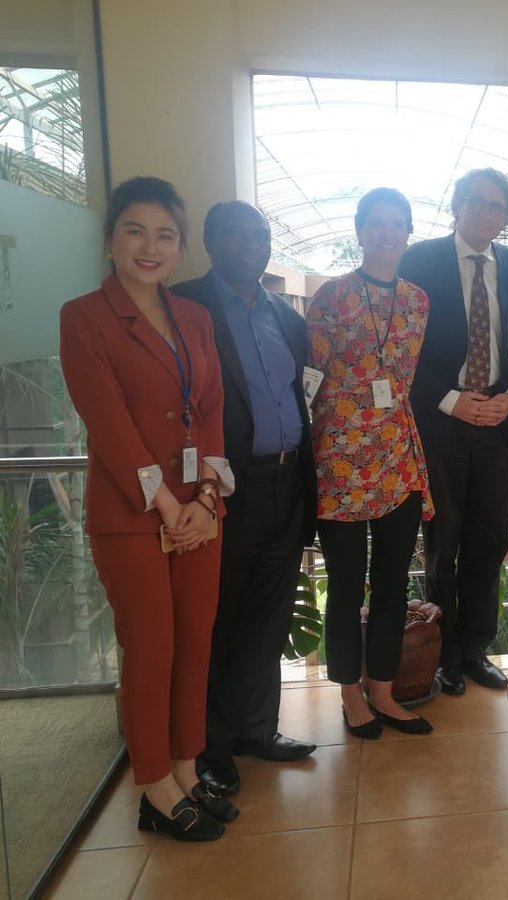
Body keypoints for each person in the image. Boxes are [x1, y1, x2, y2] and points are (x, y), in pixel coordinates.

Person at [59, 176, 236, 840]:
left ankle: (186, 767)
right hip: (131, 516)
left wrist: (208, 497)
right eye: (134, 230)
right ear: (110, 239)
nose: (149, 246)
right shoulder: (85, 317)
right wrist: (166, 503)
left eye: (165, 235)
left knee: (193, 642)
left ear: (180, 247)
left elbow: (211, 410)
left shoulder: (193, 317)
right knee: (151, 647)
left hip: (199, 510)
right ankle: (154, 784)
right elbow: (108, 425)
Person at [173, 201, 318, 797]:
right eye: (237, 236)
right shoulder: (184, 307)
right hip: (224, 489)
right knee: (217, 618)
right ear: (211, 243)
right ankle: (211, 745)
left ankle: (258, 729)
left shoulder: (285, 316)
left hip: (288, 483)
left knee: (269, 614)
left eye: (260, 236)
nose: (253, 246)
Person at [397, 168, 508, 695]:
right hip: (441, 423)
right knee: (443, 541)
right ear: (457, 206)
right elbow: (404, 350)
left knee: (489, 540)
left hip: (496, 424)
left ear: (506, 216)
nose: (486, 212)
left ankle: (476, 649)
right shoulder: (420, 261)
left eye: (497, 206)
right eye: (476, 201)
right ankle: (444, 652)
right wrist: (454, 402)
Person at [307, 188, 434, 737]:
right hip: (340, 460)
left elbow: (405, 378)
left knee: (391, 584)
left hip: (398, 459)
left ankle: (383, 689)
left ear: (407, 233)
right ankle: (349, 693)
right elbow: (310, 378)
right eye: (376, 223)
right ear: (360, 231)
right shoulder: (331, 297)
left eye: (397, 223)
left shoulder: (418, 301)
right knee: (345, 583)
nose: (387, 233)